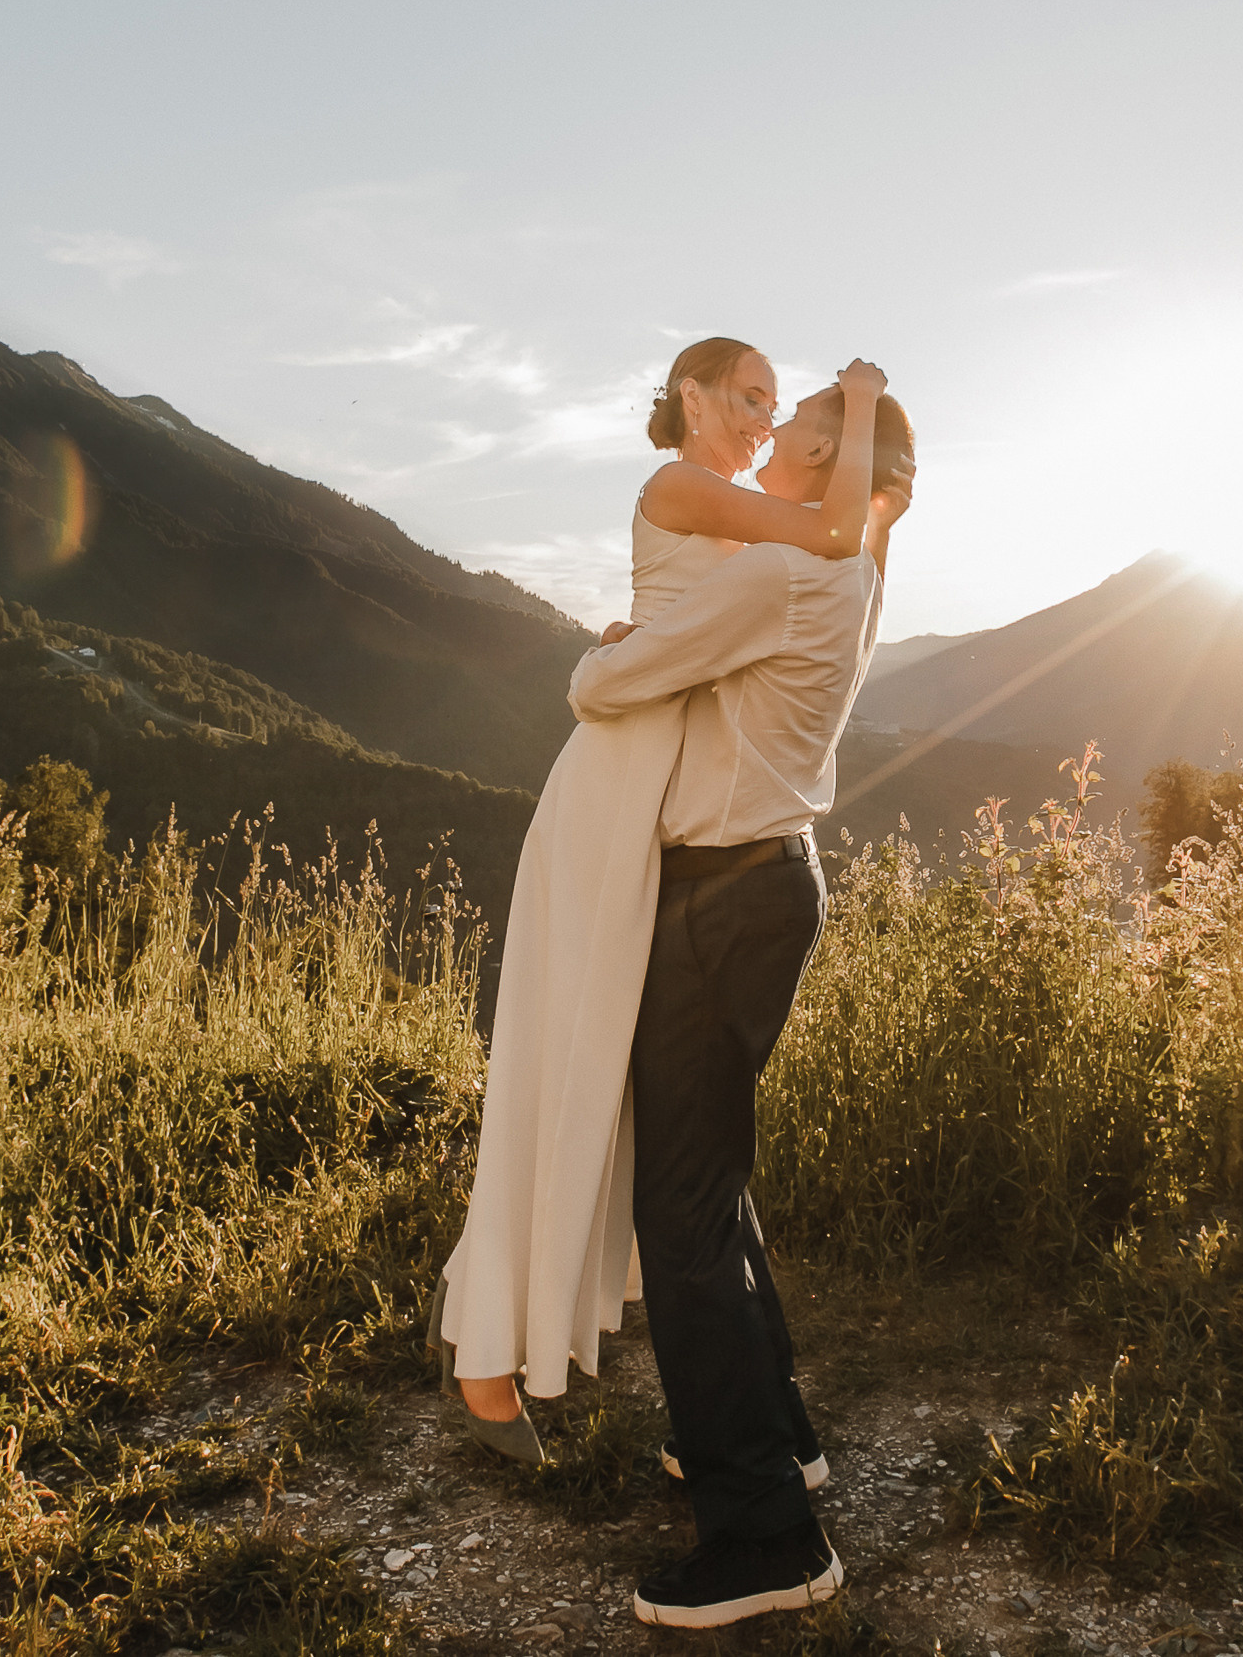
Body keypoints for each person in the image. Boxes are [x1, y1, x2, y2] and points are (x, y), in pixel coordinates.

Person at [426, 340, 896, 1466]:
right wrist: (866, 410)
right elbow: (835, 534)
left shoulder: (760, 520)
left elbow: (847, 545)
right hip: (618, 786)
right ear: (689, 395)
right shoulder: (688, 487)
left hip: (666, 804)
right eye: (745, 398)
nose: (758, 419)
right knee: (566, 1055)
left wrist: (868, 440)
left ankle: (656, 1384)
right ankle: (492, 1341)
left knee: (638, 1106)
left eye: (775, 408)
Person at [575, 378, 916, 1627]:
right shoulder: (857, 575)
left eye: (805, 437)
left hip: (719, 896)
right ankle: (775, 1438)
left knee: (679, 1213)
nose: (773, 449)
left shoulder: (774, 575)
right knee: (713, 1178)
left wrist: (602, 648)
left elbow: (608, 691)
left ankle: (766, 1534)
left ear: (837, 467)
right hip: (778, 882)